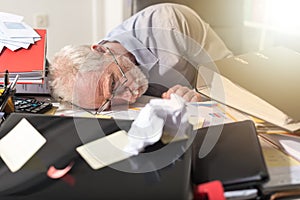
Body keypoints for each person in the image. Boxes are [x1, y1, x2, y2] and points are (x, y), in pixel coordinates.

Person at [49, 3, 233, 112]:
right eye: (108, 104)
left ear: (102, 50)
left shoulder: (169, 23)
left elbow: (235, 81)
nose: (128, 98)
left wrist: (202, 95)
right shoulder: (99, 70)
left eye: (113, 84)